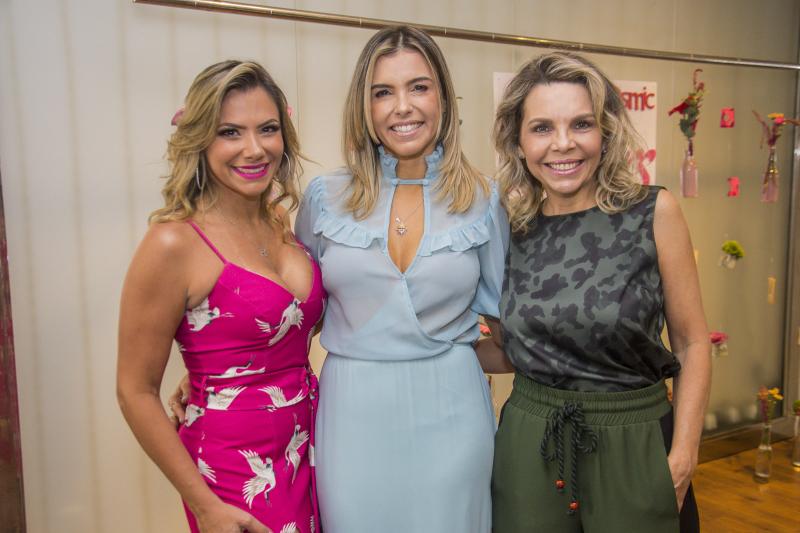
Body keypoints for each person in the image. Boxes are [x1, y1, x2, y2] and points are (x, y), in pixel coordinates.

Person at [479, 52, 710, 533]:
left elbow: (692, 342)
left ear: (605, 132)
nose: (563, 143)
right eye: (542, 128)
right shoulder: (509, 228)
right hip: (530, 447)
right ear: (518, 141)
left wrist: (684, 456)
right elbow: (512, 350)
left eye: (581, 124)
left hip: (635, 442)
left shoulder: (653, 213)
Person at [293, 26, 508, 533]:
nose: (402, 107)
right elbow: (295, 315)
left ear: (443, 98)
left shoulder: (485, 199)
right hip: (352, 417)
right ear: (363, 106)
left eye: (419, 87)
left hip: (453, 414)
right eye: (383, 92)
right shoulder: (324, 198)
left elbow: (510, 334)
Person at [117, 60, 325, 533]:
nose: (254, 148)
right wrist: (205, 507)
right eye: (230, 132)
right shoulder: (173, 243)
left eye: (267, 129)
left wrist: (223, 366)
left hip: (311, 444)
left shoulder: (278, 220)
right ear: (200, 140)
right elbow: (134, 391)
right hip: (234, 467)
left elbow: (287, 325)